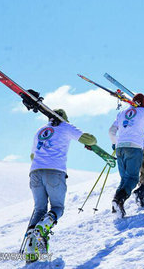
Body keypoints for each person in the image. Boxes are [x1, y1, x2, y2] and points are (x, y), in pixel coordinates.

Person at [25, 109, 97, 260]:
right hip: (55, 171)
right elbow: (90, 140)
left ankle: (31, 249)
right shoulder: (66, 127)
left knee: (39, 209)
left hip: (35, 172)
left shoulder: (40, 130)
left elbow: (32, 155)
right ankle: (42, 227)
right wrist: (90, 143)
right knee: (57, 208)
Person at [109, 93, 144, 216]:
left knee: (124, 178)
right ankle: (119, 200)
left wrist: (115, 143)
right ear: (143, 103)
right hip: (134, 147)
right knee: (132, 178)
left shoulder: (122, 113)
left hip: (120, 147)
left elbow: (111, 131)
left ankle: (116, 205)